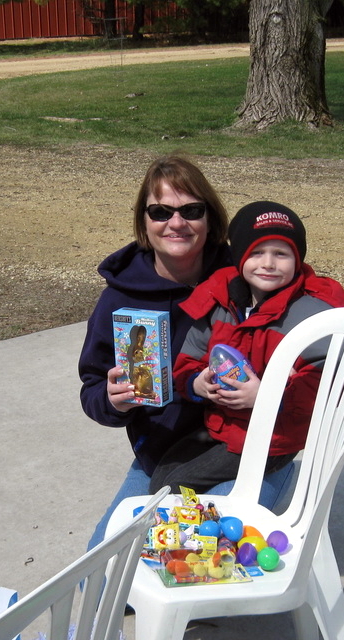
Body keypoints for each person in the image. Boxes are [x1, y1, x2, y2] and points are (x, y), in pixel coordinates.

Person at [147, 201, 344, 494]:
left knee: (171, 488)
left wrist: (269, 396)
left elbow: (332, 383)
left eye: (281, 254)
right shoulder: (221, 298)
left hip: (274, 438)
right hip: (221, 426)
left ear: (298, 259)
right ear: (240, 256)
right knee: (161, 478)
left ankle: (212, 527)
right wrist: (197, 384)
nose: (268, 264)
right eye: (257, 252)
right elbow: (189, 358)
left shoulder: (312, 312)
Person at [79, 153, 231, 550]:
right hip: (163, 454)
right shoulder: (120, 298)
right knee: (101, 576)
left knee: (205, 565)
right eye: (161, 211)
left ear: (210, 218)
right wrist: (113, 401)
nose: (176, 223)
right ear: (144, 222)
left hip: (240, 443)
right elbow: (92, 386)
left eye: (191, 210)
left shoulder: (241, 278)